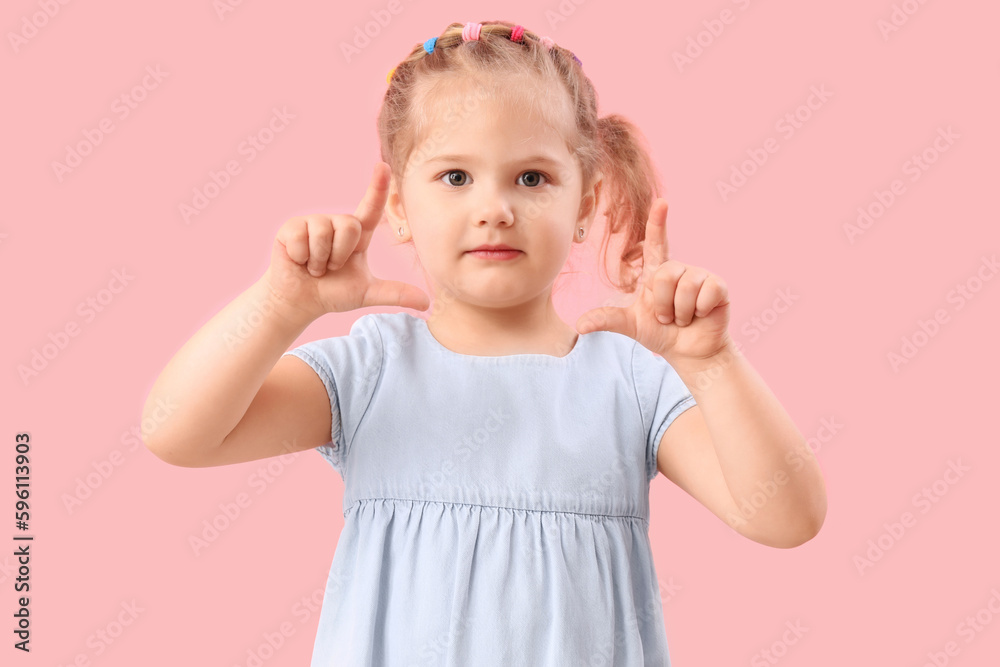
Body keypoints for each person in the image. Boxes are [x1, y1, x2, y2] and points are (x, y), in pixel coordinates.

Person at [142, 20, 827, 666]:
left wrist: (710, 364)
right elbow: (177, 432)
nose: (494, 207)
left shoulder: (630, 382)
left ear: (584, 203)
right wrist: (277, 307)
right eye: (456, 177)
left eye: (532, 178)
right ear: (402, 209)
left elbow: (788, 516)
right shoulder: (374, 368)